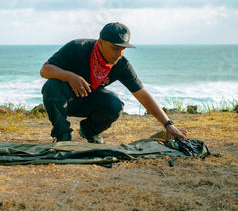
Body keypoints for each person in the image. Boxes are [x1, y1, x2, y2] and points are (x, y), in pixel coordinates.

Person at [40, 22, 188, 143]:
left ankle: (88, 131)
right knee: (51, 86)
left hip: (88, 101)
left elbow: (142, 94)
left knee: (115, 105)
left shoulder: (121, 64)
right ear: (101, 43)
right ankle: (62, 136)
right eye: (115, 48)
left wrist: (168, 124)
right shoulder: (78, 48)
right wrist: (69, 76)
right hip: (64, 101)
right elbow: (45, 69)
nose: (119, 53)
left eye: (123, 49)